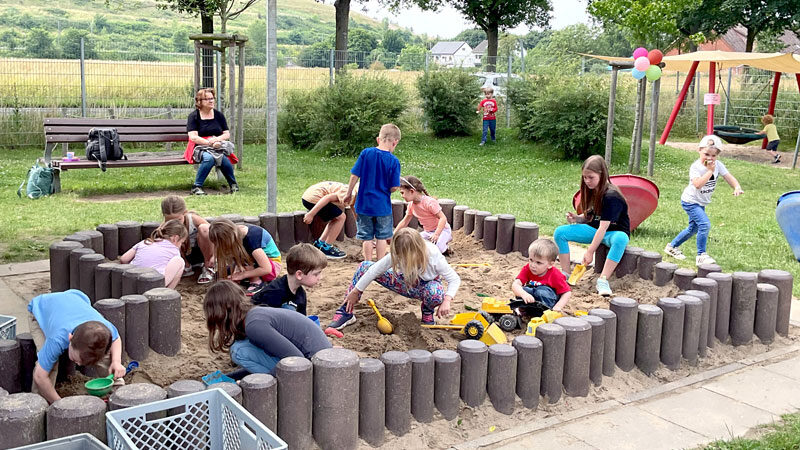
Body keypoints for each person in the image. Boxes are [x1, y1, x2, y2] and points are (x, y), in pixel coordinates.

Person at [329, 228, 460, 329]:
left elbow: (454, 279)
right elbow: (374, 270)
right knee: (365, 266)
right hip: (402, 282)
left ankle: (427, 312)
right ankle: (346, 311)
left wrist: (447, 300)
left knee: (436, 293)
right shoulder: (399, 251)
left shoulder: (433, 255)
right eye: (399, 255)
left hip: (423, 287)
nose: (402, 258)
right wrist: (356, 291)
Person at [205, 280, 332, 375]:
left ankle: (275, 386)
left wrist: (263, 384)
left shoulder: (254, 326)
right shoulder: (255, 315)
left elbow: (295, 359)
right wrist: (231, 377)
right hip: (319, 361)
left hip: (316, 370)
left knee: (238, 351)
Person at [28, 290, 124, 404]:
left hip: (75, 298)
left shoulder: (104, 328)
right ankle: (39, 403)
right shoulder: (56, 339)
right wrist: (59, 403)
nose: (78, 364)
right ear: (70, 338)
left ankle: (117, 390)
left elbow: (116, 339)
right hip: (40, 309)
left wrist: (116, 362)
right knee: (48, 365)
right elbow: (39, 376)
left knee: (104, 355)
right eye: (75, 360)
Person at [553, 155, 631, 297]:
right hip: (594, 229)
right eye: (584, 177)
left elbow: (603, 227)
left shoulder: (611, 196)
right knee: (560, 232)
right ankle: (565, 273)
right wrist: (577, 218)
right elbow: (592, 215)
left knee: (621, 239)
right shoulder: (592, 190)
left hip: (611, 232)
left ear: (602, 175)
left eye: (591, 177)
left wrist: (590, 251)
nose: (587, 181)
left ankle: (603, 279)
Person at [664, 135, 744, 265]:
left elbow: (728, 176)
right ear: (699, 150)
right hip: (690, 201)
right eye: (706, 154)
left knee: (693, 228)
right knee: (704, 224)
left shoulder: (718, 165)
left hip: (701, 202)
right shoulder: (696, 167)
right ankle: (701, 255)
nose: (710, 158)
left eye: (713, 155)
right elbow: (697, 184)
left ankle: (672, 247)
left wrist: (736, 186)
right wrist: (710, 172)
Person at [343, 123, 401, 262]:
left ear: (378, 139)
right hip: (382, 207)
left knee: (367, 237)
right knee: (382, 236)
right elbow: (393, 187)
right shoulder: (394, 161)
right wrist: (394, 186)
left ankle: (367, 263)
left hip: (364, 205)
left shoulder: (366, 153)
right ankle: (380, 263)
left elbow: (354, 175)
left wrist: (349, 193)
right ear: (395, 142)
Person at [184, 88, 239, 195]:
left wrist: (217, 140)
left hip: (217, 145)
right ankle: (196, 186)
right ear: (200, 102)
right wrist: (210, 143)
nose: (211, 101)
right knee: (209, 158)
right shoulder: (194, 116)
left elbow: (227, 134)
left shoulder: (219, 115)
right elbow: (193, 137)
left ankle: (233, 185)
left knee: (222, 157)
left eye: (212, 98)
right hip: (199, 146)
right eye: (207, 99)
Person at [208, 218, 282, 294]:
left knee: (244, 266)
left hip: (272, 267)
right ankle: (248, 275)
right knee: (220, 275)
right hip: (252, 263)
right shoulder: (234, 231)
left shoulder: (252, 241)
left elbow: (267, 269)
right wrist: (214, 257)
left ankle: (256, 282)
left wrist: (243, 275)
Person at [252, 243, 327, 316]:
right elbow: (260, 321)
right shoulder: (273, 293)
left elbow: (302, 321)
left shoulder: (300, 294)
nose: (320, 277)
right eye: (316, 274)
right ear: (299, 274)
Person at [161, 195, 215, 284]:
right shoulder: (164, 226)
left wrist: (214, 255)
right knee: (166, 236)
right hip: (183, 257)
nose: (175, 223)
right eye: (170, 220)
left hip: (202, 253)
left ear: (184, 213)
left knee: (205, 228)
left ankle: (208, 267)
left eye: (178, 219)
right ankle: (186, 267)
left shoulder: (193, 219)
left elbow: (215, 234)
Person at [119, 219, 187, 289]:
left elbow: (123, 259)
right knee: (180, 262)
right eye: (181, 242)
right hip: (153, 284)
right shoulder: (174, 250)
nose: (180, 245)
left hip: (131, 281)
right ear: (175, 238)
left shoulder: (145, 242)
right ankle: (167, 292)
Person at [395, 175, 452, 254]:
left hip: (442, 231)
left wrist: (436, 234)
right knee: (413, 242)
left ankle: (446, 249)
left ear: (412, 191)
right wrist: (394, 234)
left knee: (437, 248)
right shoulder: (411, 205)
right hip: (428, 232)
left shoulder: (429, 202)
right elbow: (405, 221)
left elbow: (443, 218)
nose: (402, 196)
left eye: (402, 193)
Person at [302, 181, 358, 259]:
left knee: (336, 218)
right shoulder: (350, 194)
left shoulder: (354, 195)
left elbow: (355, 210)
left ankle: (320, 244)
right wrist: (311, 214)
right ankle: (327, 248)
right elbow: (327, 198)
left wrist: (361, 229)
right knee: (341, 217)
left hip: (310, 196)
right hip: (313, 198)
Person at [512, 239, 572, 312]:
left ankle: (544, 311)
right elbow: (516, 284)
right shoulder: (528, 268)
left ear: (550, 264)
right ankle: (525, 310)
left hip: (547, 299)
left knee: (541, 292)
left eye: (538, 262)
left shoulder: (555, 275)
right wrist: (524, 294)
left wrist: (558, 307)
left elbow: (567, 292)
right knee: (523, 290)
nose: (533, 265)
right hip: (533, 296)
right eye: (531, 260)